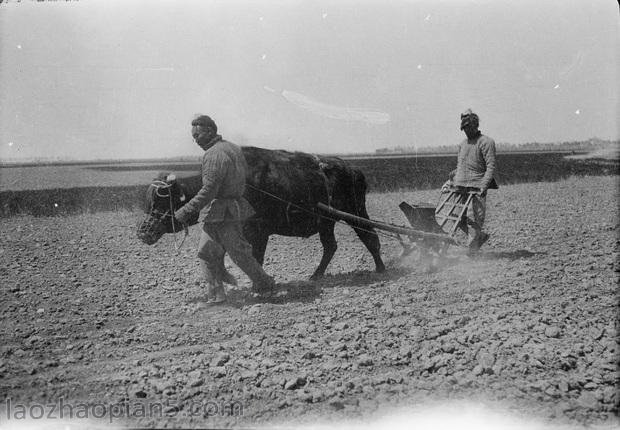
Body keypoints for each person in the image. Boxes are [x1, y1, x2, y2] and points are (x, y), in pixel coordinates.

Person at [174, 114, 275, 304]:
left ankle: (265, 284)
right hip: (228, 209)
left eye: (198, 136)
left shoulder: (213, 155)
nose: (195, 140)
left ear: (210, 131)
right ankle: (216, 294)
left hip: (223, 212)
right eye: (193, 136)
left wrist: (185, 211)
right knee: (207, 251)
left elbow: (208, 190)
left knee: (239, 253)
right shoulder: (232, 148)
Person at [442, 109, 498, 254]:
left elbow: (491, 166)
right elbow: (460, 167)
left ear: (475, 126)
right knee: (455, 217)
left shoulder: (486, 142)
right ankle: (478, 238)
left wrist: (483, 186)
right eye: (464, 129)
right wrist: (449, 182)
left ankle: (472, 251)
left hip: (476, 186)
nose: (466, 131)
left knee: (474, 220)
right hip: (460, 185)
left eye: (468, 128)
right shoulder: (462, 144)